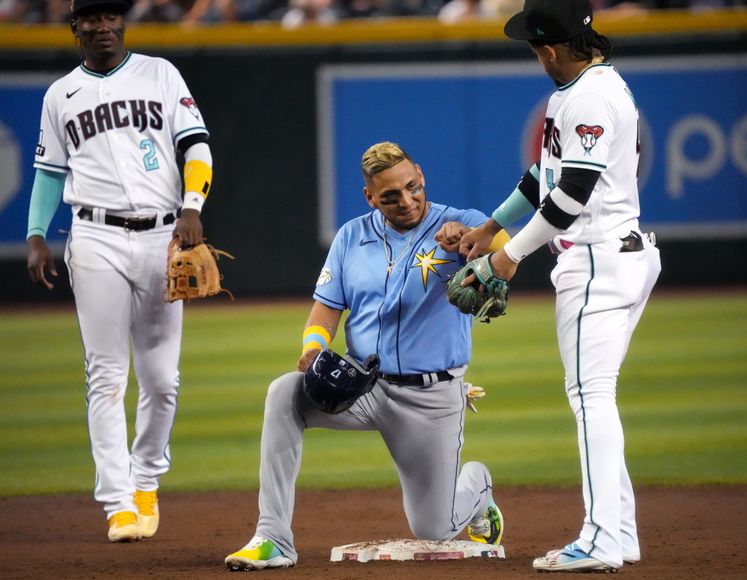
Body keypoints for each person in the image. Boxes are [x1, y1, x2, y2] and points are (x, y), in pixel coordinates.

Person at [223, 141, 509, 571]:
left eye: (412, 187)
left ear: (421, 173)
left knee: (433, 526)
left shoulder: (463, 222)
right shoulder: (351, 236)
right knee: (284, 393)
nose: (407, 201)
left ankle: (478, 486)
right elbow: (326, 307)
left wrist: (476, 243)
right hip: (360, 387)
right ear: (370, 197)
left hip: (430, 399)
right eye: (390, 195)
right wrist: (313, 348)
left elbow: (511, 253)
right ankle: (272, 537)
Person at [452, 0, 662, 572]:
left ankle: (600, 540)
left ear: (549, 47)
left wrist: (508, 256)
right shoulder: (582, 88)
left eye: (533, 45)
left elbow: (570, 197)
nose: (534, 54)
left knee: (590, 398)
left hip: (597, 260)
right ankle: (618, 532)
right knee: (594, 395)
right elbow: (542, 176)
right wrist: (492, 227)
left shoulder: (591, 95)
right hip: (616, 256)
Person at [26, 0, 214, 542]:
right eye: (92, 17)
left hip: (163, 235)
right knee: (105, 375)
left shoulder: (160, 72)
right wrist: (37, 234)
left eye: (111, 15)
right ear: (75, 27)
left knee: (161, 379)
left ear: (122, 23)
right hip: (94, 236)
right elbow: (47, 172)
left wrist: (193, 204)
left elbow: (196, 145)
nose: (103, 25)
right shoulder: (60, 93)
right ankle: (117, 503)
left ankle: (146, 478)